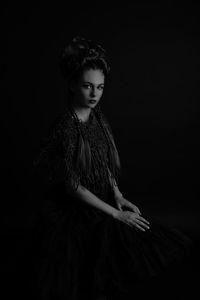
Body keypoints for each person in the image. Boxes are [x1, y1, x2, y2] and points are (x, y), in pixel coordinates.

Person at [32, 36, 192, 300]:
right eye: (87, 86)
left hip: (103, 198)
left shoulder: (99, 119)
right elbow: (72, 187)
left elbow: (103, 162)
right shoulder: (65, 128)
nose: (95, 94)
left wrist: (117, 194)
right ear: (72, 85)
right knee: (92, 265)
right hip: (75, 210)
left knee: (143, 241)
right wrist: (115, 215)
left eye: (100, 87)